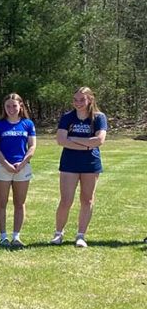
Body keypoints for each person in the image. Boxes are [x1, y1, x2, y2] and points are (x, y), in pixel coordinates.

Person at [52, 86, 107, 248]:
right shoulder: (67, 117)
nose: (78, 103)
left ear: (90, 99)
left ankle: (81, 235)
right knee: (66, 200)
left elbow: (99, 140)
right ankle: (58, 233)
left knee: (87, 199)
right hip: (69, 163)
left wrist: (74, 139)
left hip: (91, 163)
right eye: (75, 100)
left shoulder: (99, 117)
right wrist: (87, 144)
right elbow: (61, 140)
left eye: (82, 99)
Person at [0, 93, 37, 248]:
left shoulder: (27, 124)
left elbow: (32, 146)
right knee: (1, 202)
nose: (11, 109)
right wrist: (5, 164)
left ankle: (16, 237)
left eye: (14, 106)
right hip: (2, 167)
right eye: (8, 106)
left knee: (19, 203)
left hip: (22, 168)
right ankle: (3, 237)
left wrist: (23, 163)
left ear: (20, 106)